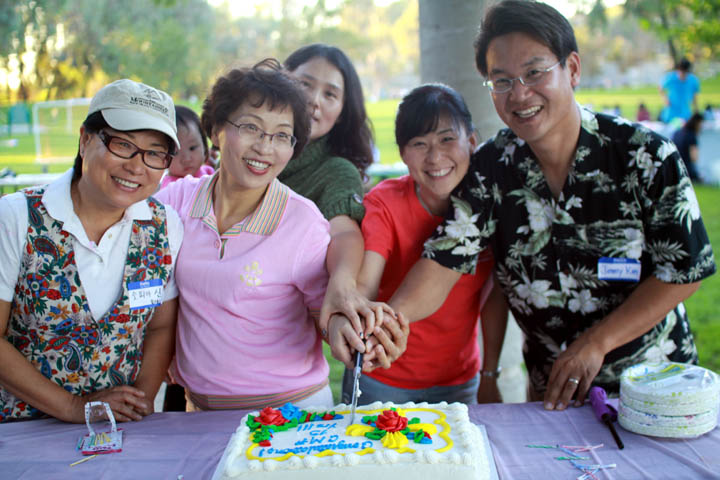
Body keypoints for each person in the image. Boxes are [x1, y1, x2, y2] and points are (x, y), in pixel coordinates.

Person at [387, 0, 715, 412]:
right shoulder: (491, 168)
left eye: (534, 72)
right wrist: (387, 321)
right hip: (554, 397)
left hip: (654, 388)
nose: (519, 94)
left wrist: (596, 343)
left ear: (572, 69)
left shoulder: (645, 155)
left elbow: (684, 272)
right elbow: (443, 262)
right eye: (501, 81)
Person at [155, 59, 338, 411]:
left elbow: (328, 316)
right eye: (251, 127)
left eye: (281, 135)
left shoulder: (302, 221)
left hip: (290, 413)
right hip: (199, 411)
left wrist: (353, 330)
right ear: (216, 130)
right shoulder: (175, 202)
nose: (265, 148)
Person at [0, 79, 183, 422]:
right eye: (122, 144)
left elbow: (161, 327)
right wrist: (74, 407)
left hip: (120, 431)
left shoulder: (164, 225)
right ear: (85, 140)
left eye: (155, 153)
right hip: (20, 431)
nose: (137, 166)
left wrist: (139, 403)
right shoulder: (16, 217)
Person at [332, 84, 508, 405]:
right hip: (382, 376)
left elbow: (496, 296)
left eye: (447, 139)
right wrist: (354, 320)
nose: (435, 157)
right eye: (419, 144)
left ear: (471, 141)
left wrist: (490, 373)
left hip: (459, 380)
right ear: (402, 153)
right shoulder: (385, 203)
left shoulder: (489, 206)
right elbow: (365, 282)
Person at [283, 44, 399, 357]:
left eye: (330, 94)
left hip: (284, 346)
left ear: (341, 113)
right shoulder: (247, 153)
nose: (314, 100)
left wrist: (343, 284)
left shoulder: (336, 172)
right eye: (304, 84)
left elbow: (344, 231)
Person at [159, 106, 214, 189]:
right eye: (175, 153)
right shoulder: (171, 188)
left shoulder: (208, 171)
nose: (186, 159)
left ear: (204, 145)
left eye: (192, 148)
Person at [660, 57, 700, 124]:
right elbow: (661, 87)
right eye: (681, 72)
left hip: (685, 113)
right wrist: (665, 98)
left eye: (684, 72)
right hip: (671, 113)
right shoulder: (671, 77)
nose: (682, 74)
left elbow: (694, 96)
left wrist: (696, 110)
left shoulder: (693, 80)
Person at [672, 113, 704, 182]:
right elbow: (694, 158)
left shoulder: (677, 132)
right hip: (686, 169)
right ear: (697, 123)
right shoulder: (691, 136)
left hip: (674, 167)